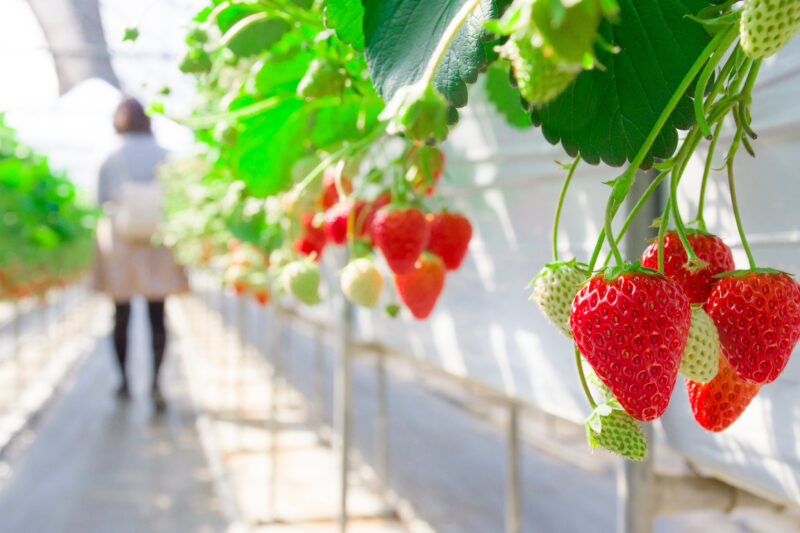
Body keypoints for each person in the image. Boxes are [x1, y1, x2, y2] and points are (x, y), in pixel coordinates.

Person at [93, 98, 188, 411]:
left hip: (120, 243)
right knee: (157, 314)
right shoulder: (166, 154)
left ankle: (124, 382)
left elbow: (100, 200)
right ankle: (156, 383)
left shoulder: (110, 154)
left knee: (120, 315)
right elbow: (178, 197)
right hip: (158, 242)